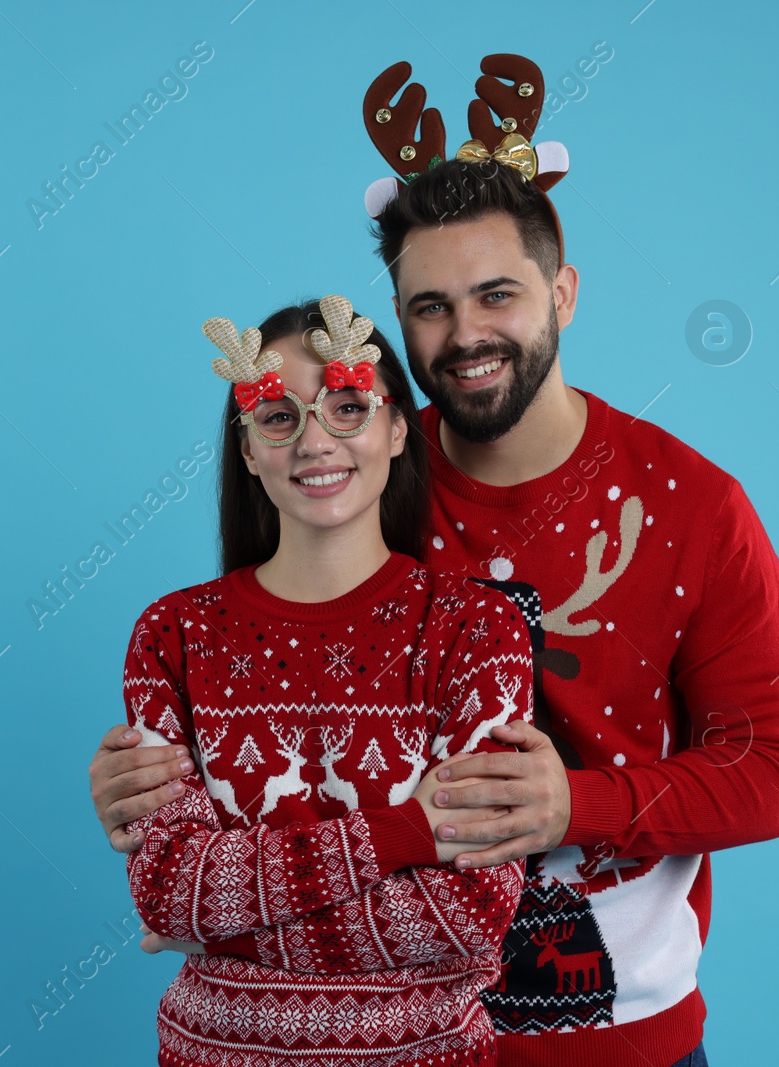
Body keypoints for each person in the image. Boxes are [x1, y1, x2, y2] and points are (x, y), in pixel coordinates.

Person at [91, 54, 779, 1067]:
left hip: (617, 1035)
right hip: (375, 1041)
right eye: (428, 304)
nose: (465, 333)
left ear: (562, 289)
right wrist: (146, 790)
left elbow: (773, 772)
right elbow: (252, 719)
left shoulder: (696, 507)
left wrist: (575, 803)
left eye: (497, 294)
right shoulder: (345, 480)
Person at [118, 293, 537, 1067]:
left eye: (347, 406)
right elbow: (169, 890)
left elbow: (472, 909)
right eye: (279, 417)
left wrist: (226, 921)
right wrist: (407, 831)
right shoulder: (172, 636)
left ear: (397, 429)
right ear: (248, 449)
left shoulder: (477, 633)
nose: (316, 441)